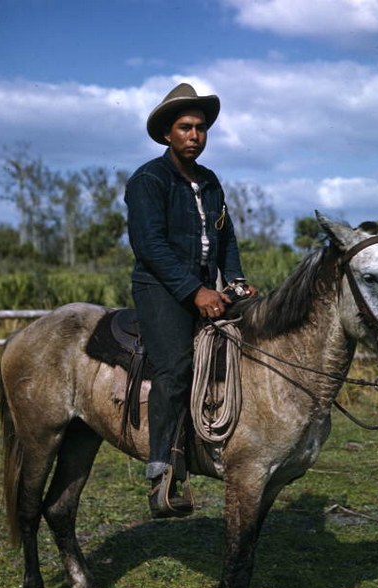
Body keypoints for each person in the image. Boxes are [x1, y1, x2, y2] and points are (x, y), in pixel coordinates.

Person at [124, 81, 256, 519]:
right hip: (160, 288)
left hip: (204, 286)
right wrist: (195, 291)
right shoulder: (149, 180)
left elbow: (226, 236)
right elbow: (150, 246)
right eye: (185, 128)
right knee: (176, 366)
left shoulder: (210, 182)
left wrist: (235, 281)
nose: (195, 135)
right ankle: (162, 466)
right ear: (167, 133)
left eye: (200, 128)